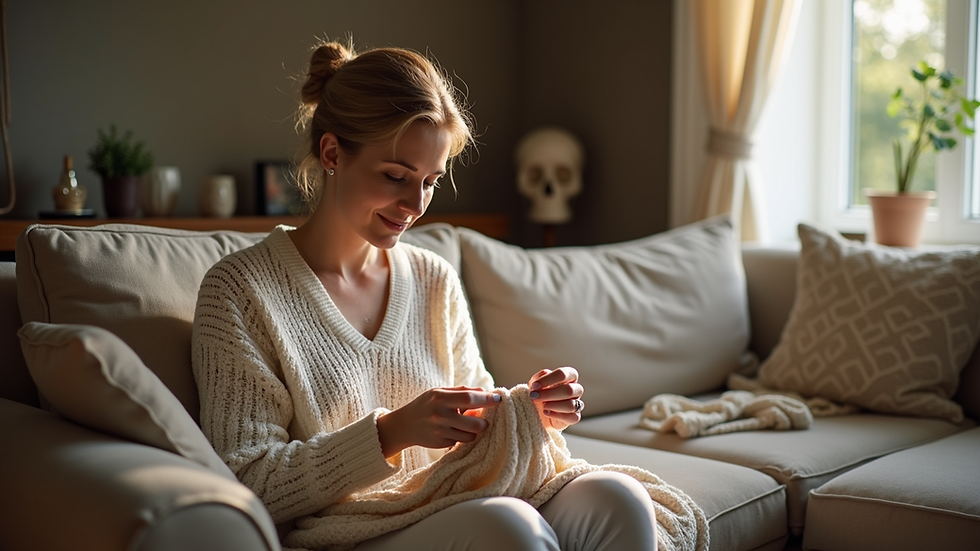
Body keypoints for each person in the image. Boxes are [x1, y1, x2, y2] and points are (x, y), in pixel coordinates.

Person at [191, 39, 658, 551]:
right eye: (396, 176)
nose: (415, 205)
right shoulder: (239, 290)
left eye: (431, 182)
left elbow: (479, 417)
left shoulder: (433, 277)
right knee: (507, 529)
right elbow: (247, 478)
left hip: (450, 496)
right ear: (331, 153)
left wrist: (529, 409)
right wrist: (392, 432)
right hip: (351, 529)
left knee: (619, 496)